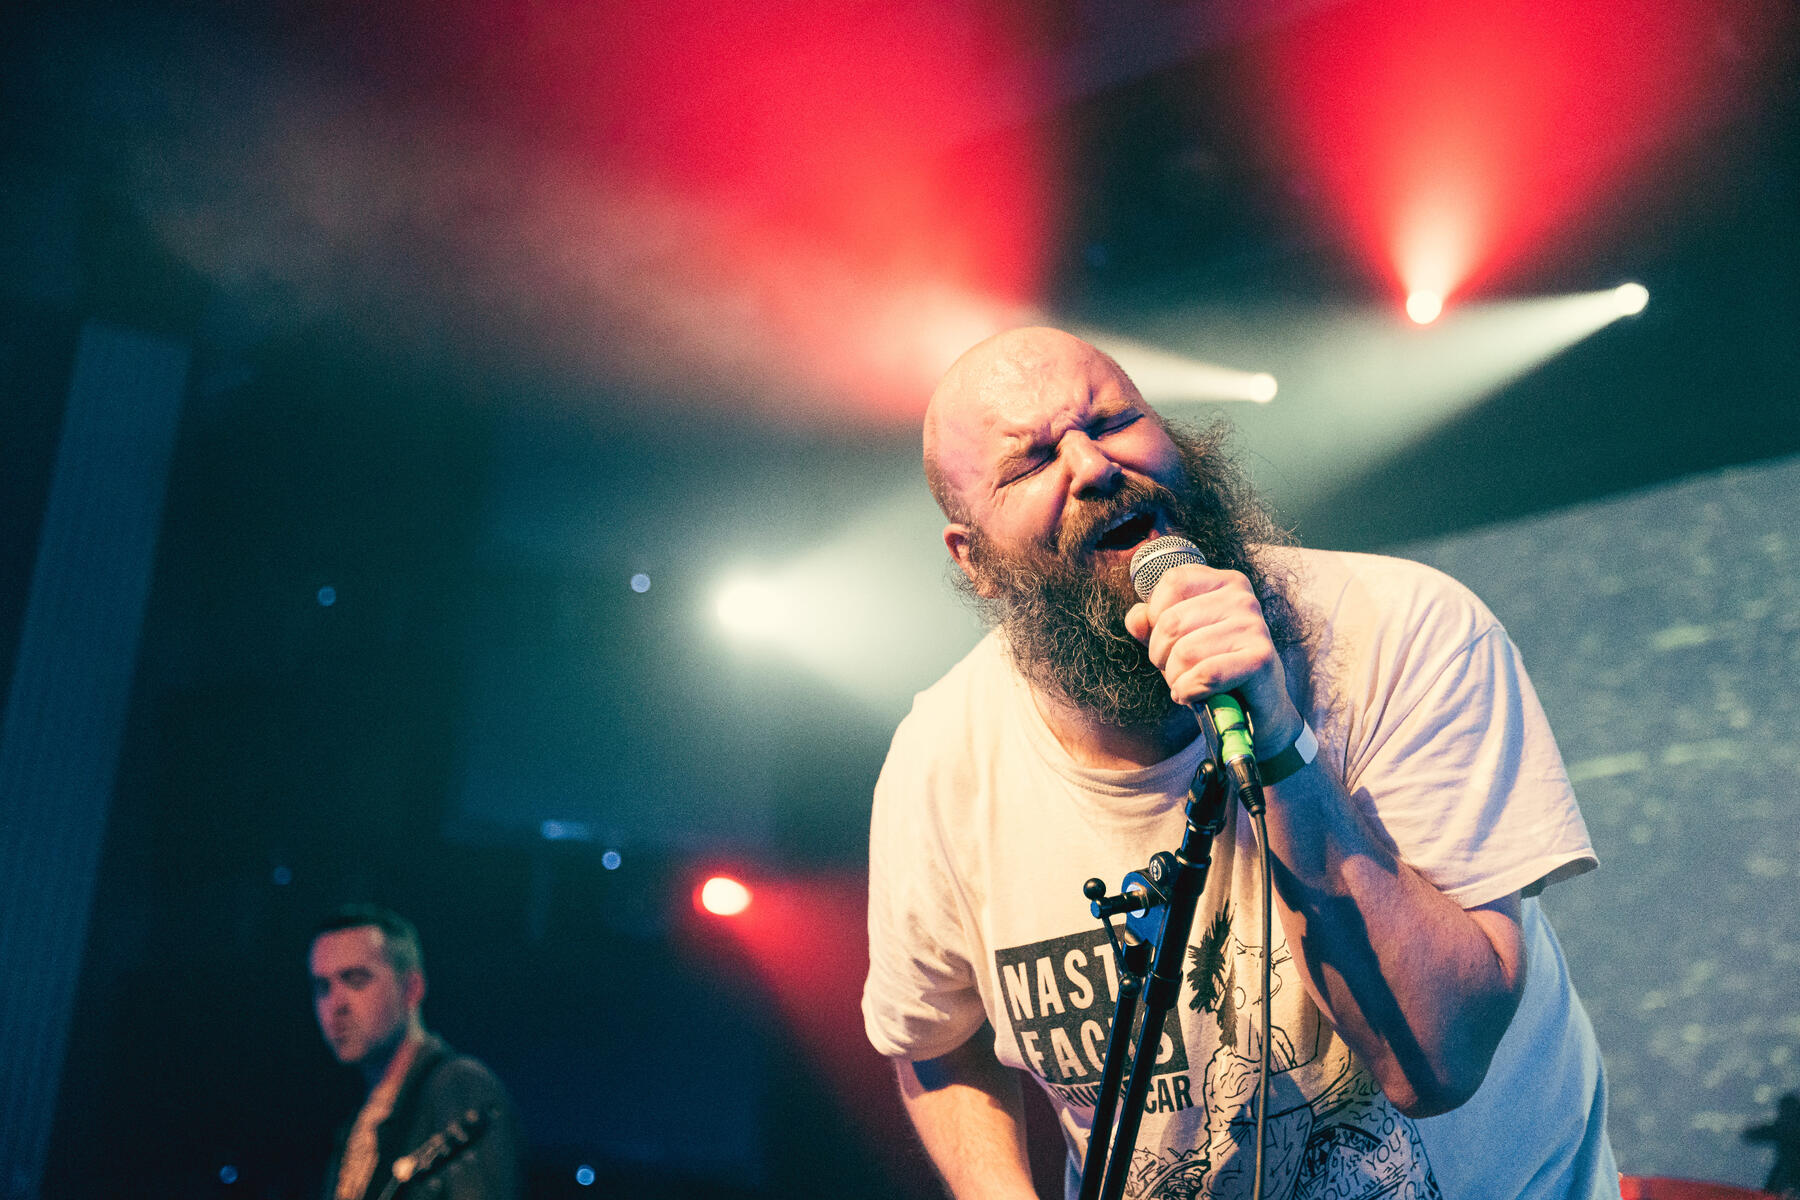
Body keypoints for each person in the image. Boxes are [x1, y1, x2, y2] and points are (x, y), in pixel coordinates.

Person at [861, 327, 1616, 1200]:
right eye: (1030, 463)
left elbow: (1435, 1066)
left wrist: (1280, 741)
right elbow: (929, 1041)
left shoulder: (1407, 633)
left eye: (1112, 420)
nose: (1094, 466)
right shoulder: (942, 756)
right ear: (974, 560)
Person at [309, 904, 524, 1200]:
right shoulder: (359, 1120)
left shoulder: (457, 1085)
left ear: (411, 988)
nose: (336, 1005)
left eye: (356, 980)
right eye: (322, 987)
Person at [1744, 1092, 1800, 1197]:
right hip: (1785, 1169)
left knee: (1771, 1191)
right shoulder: (1784, 1125)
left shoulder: (1784, 1126)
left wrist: (1749, 1133)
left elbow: (1763, 1132)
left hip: (1786, 1170)